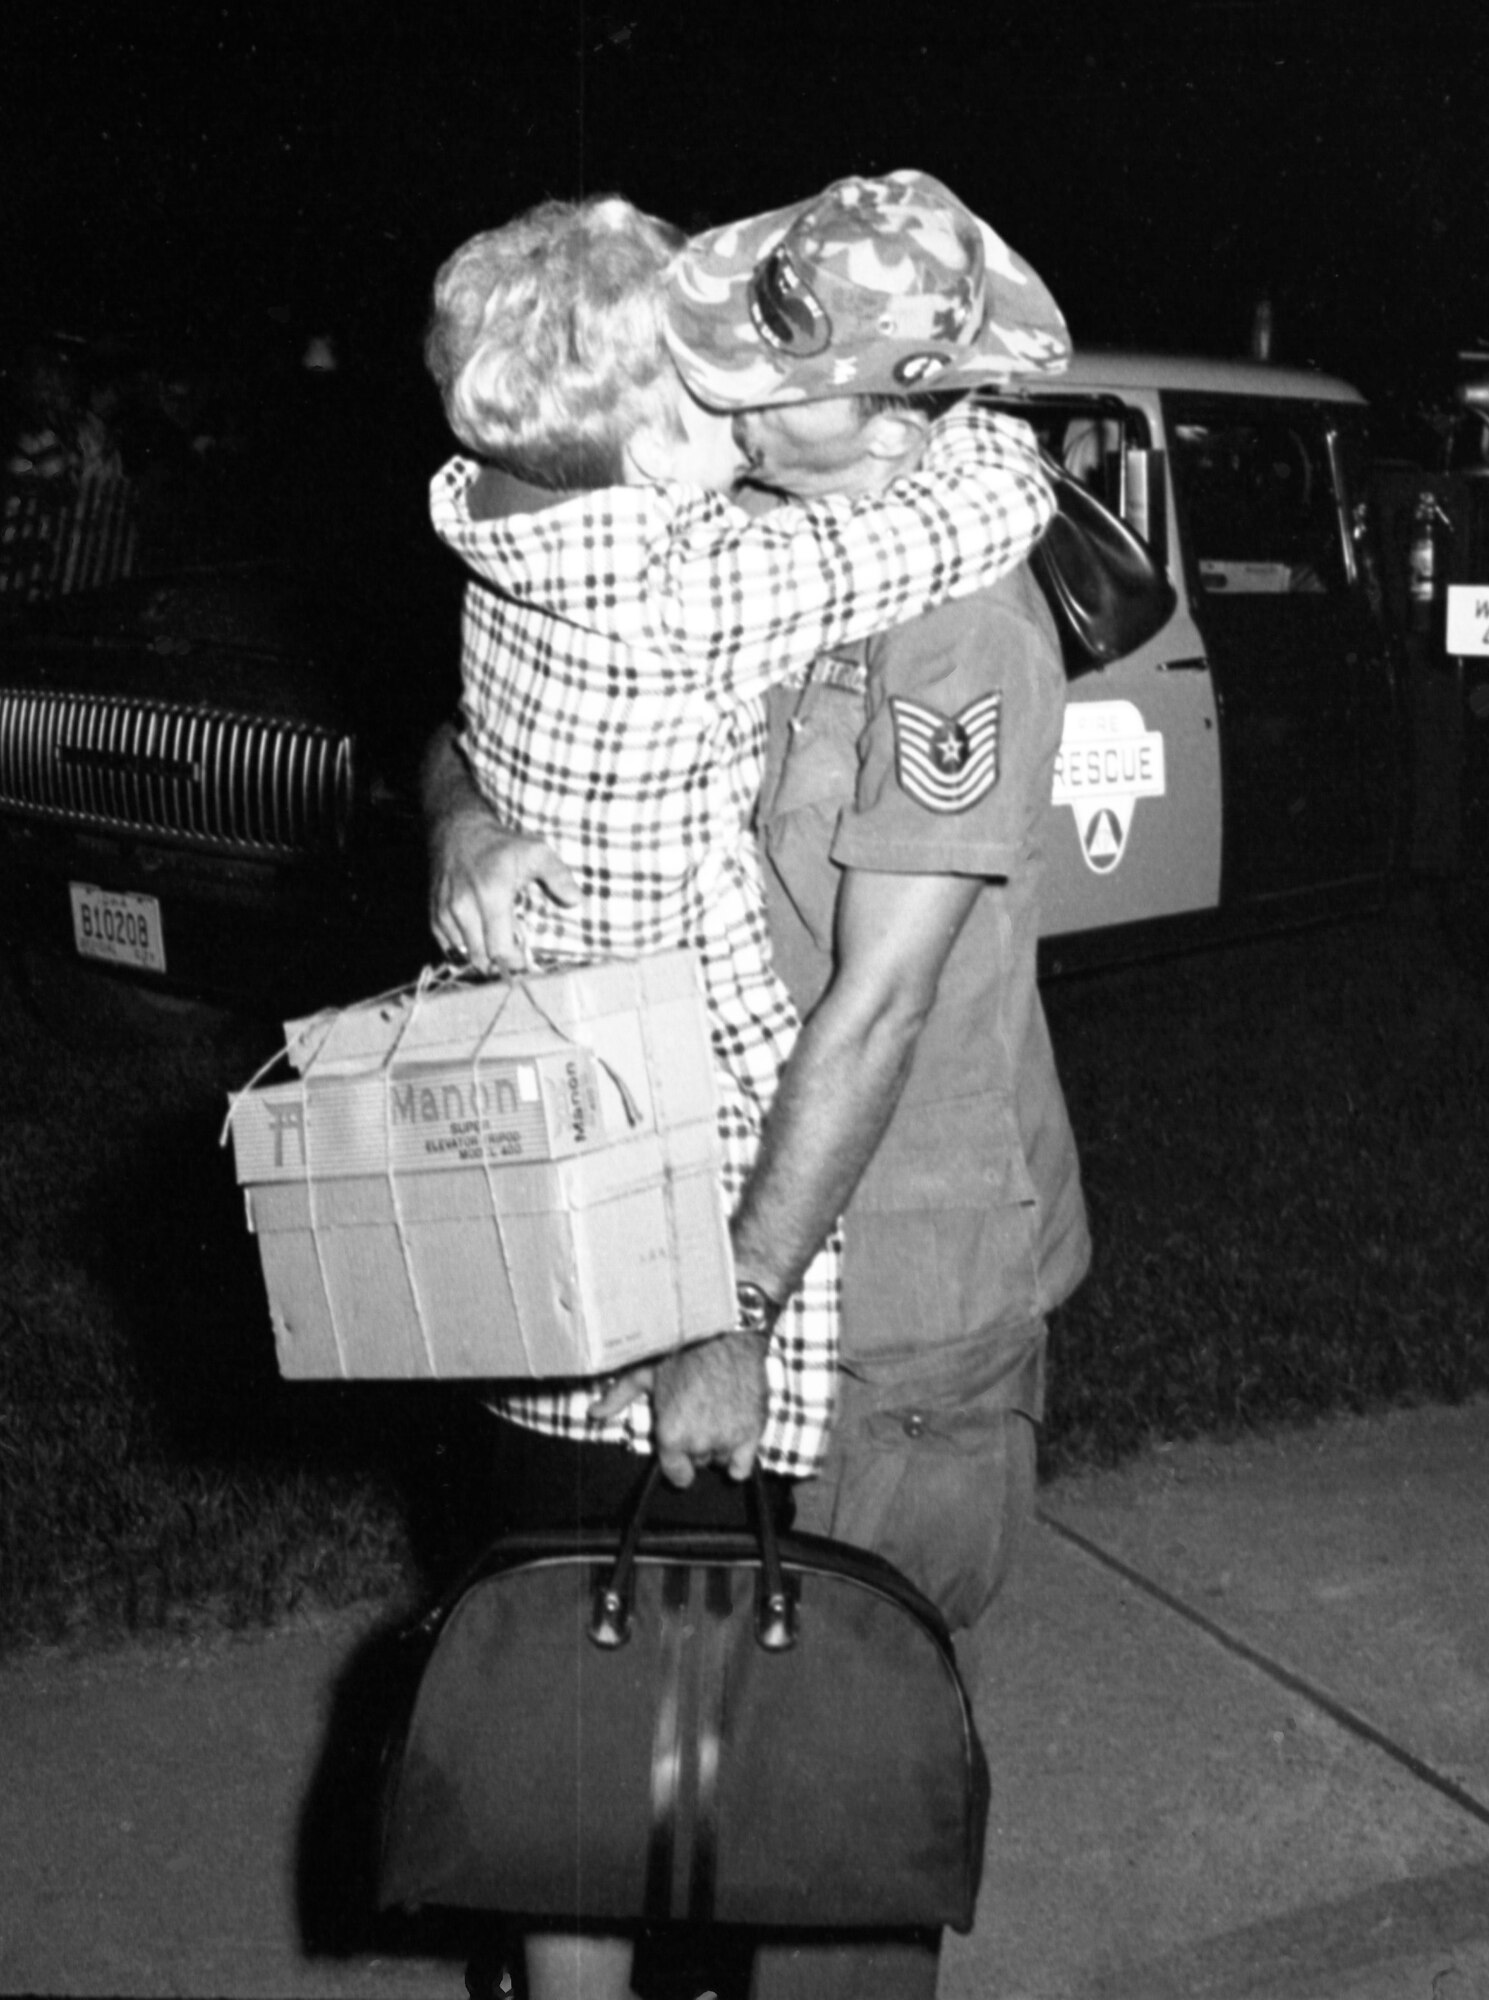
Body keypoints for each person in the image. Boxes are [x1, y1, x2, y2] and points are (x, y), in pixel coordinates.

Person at [422, 174, 1082, 2000]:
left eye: (756, 372)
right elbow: (486, 712)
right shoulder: (706, 542)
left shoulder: (956, 627)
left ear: (909, 405)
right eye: (696, 355)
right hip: (665, 1220)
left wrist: (732, 1306)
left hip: (871, 1284)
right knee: (597, 1729)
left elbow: (874, 1013)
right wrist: (468, 815)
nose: (712, 387)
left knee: (822, 1832)